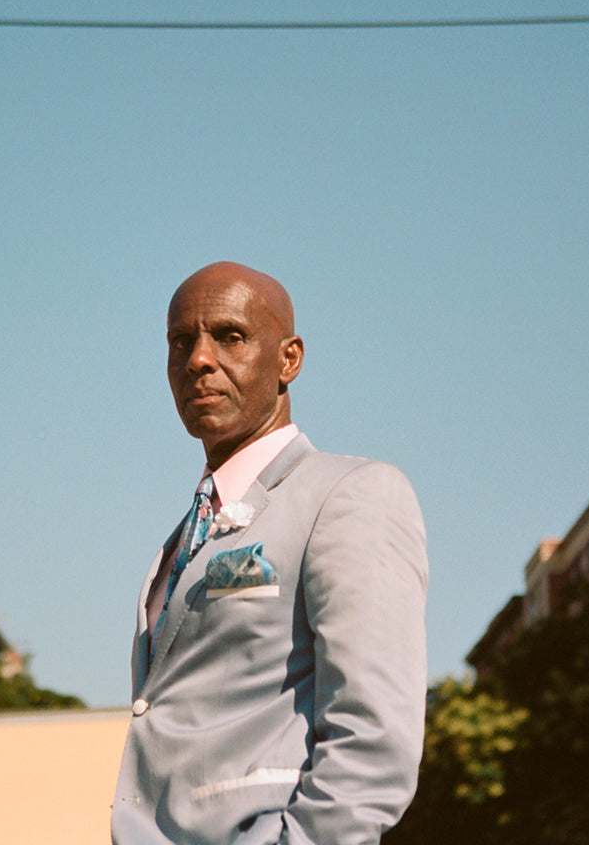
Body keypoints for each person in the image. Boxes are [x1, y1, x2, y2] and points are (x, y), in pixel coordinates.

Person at [112, 261, 429, 845]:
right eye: (181, 342)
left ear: (289, 359)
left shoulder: (349, 494)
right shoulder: (179, 544)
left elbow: (374, 743)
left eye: (230, 337)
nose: (198, 360)